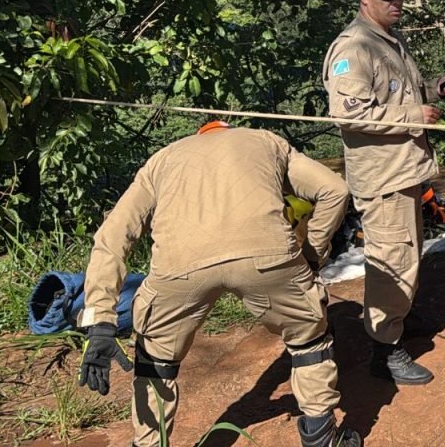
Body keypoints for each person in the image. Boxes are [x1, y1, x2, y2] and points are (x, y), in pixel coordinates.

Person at [77, 123, 360, 447]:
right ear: (229, 130)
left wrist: (100, 319)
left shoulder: (162, 159)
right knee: (309, 339)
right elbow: (335, 190)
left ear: (199, 136)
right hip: (267, 255)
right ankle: (323, 438)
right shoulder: (266, 142)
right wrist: (310, 258)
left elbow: (112, 237)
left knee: (156, 360)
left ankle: (149, 443)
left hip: (179, 266)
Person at [321, 0, 445, 385]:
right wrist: (413, 114)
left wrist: (435, 89)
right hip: (382, 176)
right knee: (390, 258)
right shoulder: (353, 48)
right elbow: (349, 113)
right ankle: (385, 348)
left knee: (406, 251)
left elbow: (398, 94)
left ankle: (397, 316)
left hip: (404, 170)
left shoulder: (389, 39)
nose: (397, 1)